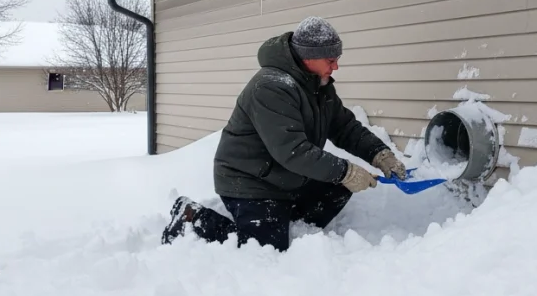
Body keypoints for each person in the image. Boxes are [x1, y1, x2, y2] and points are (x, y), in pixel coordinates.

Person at [162, 16, 408, 252]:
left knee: (338, 188)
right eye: (330, 60)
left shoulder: (318, 85)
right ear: (308, 57)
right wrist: (346, 171)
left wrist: (379, 154)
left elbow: (344, 127)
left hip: (286, 176)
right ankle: (192, 217)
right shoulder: (271, 87)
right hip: (250, 180)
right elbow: (293, 151)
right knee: (265, 249)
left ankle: (287, 220)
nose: (336, 66)